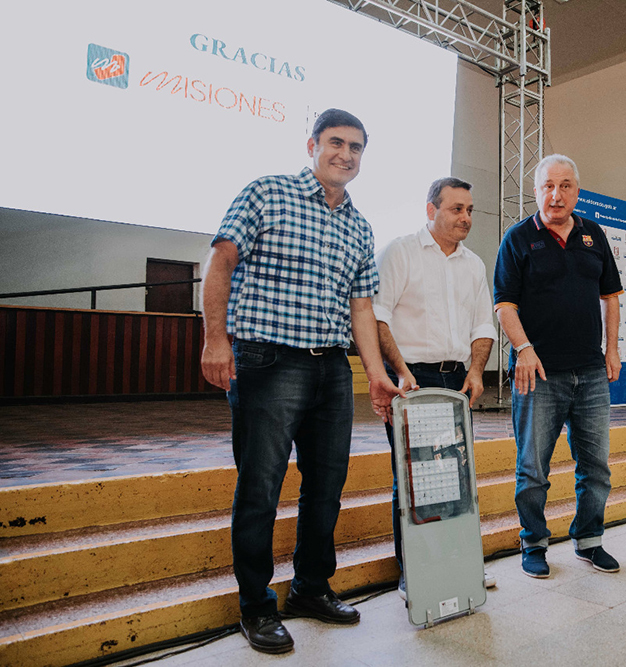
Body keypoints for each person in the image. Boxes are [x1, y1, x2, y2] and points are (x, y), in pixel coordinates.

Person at [200, 108, 400, 654]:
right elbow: (221, 261)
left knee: (327, 486)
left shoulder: (360, 225)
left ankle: (311, 588)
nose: (345, 154)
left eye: (356, 147)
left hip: (331, 367)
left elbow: (362, 309)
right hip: (268, 361)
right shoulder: (267, 193)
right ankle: (256, 606)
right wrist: (216, 339)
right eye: (336, 142)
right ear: (311, 145)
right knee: (260, 487)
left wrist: (375, 376)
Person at [494, 154, 623, 579]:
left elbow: (610, 297)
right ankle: (533, 542)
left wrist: (612, 350)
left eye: (565, 185)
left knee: (596, 468)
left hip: (590, 372)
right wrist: (524, 349)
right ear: (535, 191)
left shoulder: (593, 234)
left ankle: (589, 539)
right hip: (538, 373)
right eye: (548, 186)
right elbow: (504, 304)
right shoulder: (517, 238)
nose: (556, 194)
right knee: (533, 469)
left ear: (577, 192)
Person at [372, 177, 497, 597]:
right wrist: (399, 370)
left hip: (456, 379)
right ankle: (415, 572)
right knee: (413, 477)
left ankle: (461, 564)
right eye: (456, 209)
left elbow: (483, 325)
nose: (466, 217)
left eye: (469, 210)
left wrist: (476, 372)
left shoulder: (473, 264)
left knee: (458, 475)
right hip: (412, 379)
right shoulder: (400, 252)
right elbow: (378, 316)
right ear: (431, 210)